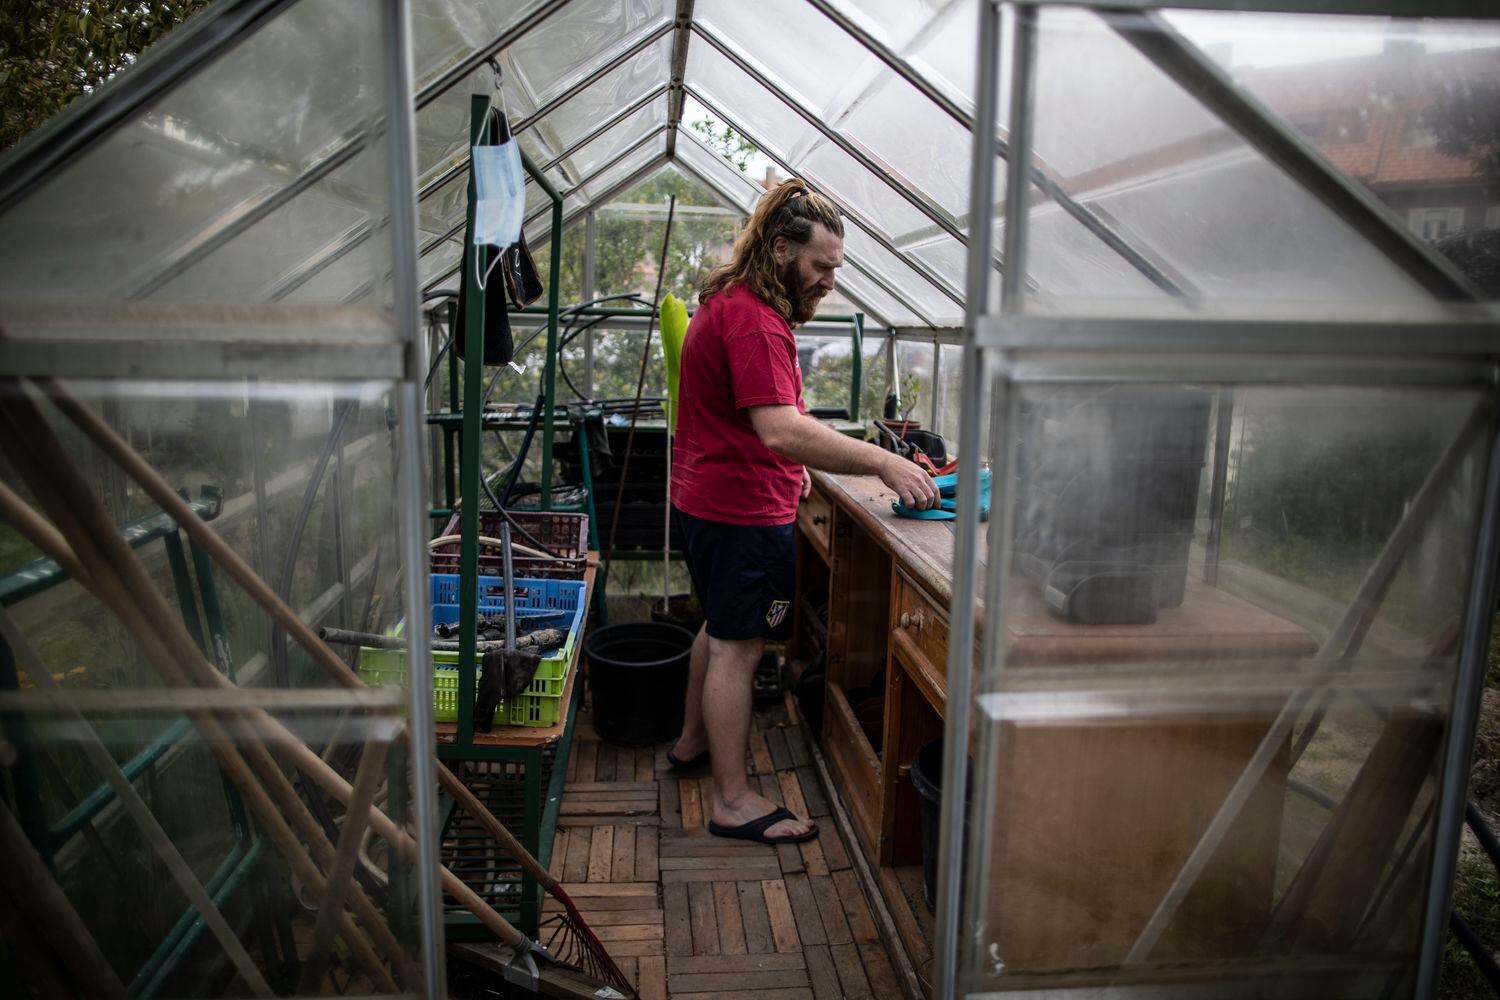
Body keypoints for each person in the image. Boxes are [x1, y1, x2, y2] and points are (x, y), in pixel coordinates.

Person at [668, 179, 941, 844]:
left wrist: (796, 467)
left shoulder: (731, 299)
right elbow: (781, 430)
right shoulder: (758, 320)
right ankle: (732, 801)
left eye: (837, 269)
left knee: (718, 628)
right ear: (783, 249)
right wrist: (882, 461)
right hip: (737, 510)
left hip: (707, 498)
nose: (829, 282)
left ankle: (690, 743)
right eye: (821, 267)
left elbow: (763, 424)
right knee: (741, 646)